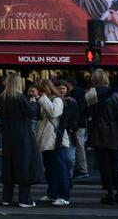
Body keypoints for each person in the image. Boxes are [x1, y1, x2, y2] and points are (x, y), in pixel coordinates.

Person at [0, 72, 38, 208]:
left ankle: (6, 198)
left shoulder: (2, 98)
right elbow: (30, 112)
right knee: (23, 165)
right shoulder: (20, 98)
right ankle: (24, 199)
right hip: (21, 133)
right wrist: (33, 103)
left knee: (9, 166)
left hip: (8, 134)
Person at [86, 68, 118, 205]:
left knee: (104, 165)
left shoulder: (91, 94)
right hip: (114, 132)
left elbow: (89, 113)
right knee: (114, 165)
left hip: (99, 132)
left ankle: (109, 193)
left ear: (94, 79)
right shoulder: (116, 94)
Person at [36, 79, 71, 207]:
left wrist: (43, 99)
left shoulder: (57, 99)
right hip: (46, 139)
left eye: (40, 90)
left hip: (55, 139)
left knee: (59, 168)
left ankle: (64, 196)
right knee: (49, 169)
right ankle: (52, 193)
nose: (39, 93)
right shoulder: (44, 100)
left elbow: (54, 113)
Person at [56, 80, 80, 186]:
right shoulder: (55, 101)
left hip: (69, 132)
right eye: (60, 88)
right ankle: (63, 178)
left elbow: (76, 116)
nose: (61, 90)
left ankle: (69, 176)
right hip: (58, 132)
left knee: (70, 158)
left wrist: (73, 127)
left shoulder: (72, 101)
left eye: (63, 88)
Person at [68, 77, 90, 180]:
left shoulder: (74, 95)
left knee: (79, 146)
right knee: (79, 145)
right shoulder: (81, 93)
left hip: (78, 124)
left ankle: (82, 169)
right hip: (81, 123)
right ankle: (80, 168)